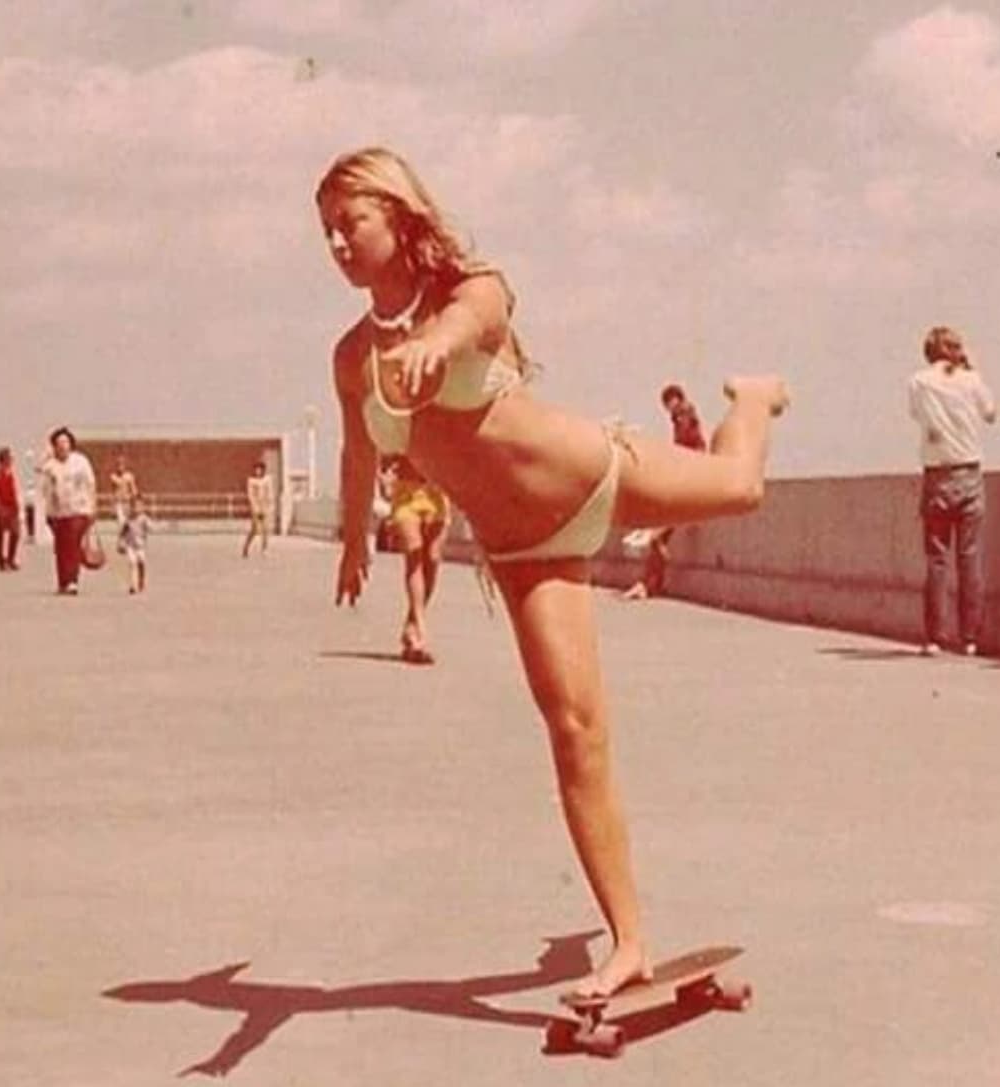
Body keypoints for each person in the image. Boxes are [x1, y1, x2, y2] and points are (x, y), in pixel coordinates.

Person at [316, 147, 789, 999]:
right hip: (523, 549)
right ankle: (629, 939)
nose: (338, 244)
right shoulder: (352, 357)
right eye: (327, 232)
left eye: (351, 222)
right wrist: (355, 540)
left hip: (590, 473)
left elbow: (478, 321)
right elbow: (357, 455)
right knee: (576, 731)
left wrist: (437, 341)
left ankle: (752, 399)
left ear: (397, 215)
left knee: (741, 487)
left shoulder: (468, 287)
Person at [908, 325, 996, 657]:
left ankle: (935, 638)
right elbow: (991, 413)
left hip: (937, 475)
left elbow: (917, 415)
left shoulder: (918, 382)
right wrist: (970, 368)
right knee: (969, 556)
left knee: (937, 558)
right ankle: (970, 638)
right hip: (970, 472)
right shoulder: (971, 381)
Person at [620, 383, 708, 600]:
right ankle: (651, 583)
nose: (668, 408)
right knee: (659, 538)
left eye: (669, 402)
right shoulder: (681, 416)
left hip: (690, 472)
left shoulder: (685, 413)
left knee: (658, 532)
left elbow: (688, 442)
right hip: (687, 470)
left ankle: (648, 583)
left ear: (676, 399)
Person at [378, 454, 450, 663]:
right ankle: (419, 627)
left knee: (433, 558)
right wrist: (383, 482)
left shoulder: (444, 424)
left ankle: (411, 626)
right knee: (414, 553)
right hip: (406, 493)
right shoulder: (402, 422)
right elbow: (380, 455)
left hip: (437, 494)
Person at [40, 426, 97, 595]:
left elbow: (91, 484)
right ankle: (63, 580)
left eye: (65, 442)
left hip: (79, 510)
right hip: (57, 513)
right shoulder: (50, 466)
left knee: (72, 544)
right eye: (59, 443)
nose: (63, 446)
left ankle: (72, 580)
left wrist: (93, 507)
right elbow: (45, 491)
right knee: (61, 547)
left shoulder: (81, 462)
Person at [0, 446, 22, 571]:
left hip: (12, 507)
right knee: (0, 534)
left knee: (15, 533)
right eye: (9, 458)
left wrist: (17, 506)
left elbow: (13, 491)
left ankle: (10, 558)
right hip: (1, 508)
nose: (11, 460)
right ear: (3, 459)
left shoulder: (10, 473)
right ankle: (1, 560)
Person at [242, 461, 275, 558]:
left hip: (265, 506)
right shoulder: (251, 480)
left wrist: (270, 506)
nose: (258, 471)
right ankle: (246, 547)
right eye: (256, 469)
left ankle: (264, 549)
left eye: (260, 469)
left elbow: (270, 493)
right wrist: (255, 508)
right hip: (256, 507)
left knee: (265, 529)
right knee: (255, 529)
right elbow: (251, 495)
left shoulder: (268, 479)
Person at [121, 493, 152, 594]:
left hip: (140, 545)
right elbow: (123, 531)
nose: (136, 509)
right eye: (134, 506)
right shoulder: (128, 519)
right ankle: (133, 585)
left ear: (142, 507)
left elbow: (150, 527)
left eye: (139, 506)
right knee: (132, 563)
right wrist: (121, 542)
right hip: (130, 545)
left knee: (141, 561)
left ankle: (141, 580)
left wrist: (148, 528)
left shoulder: (144, 518)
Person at [110, 453, 139, 533]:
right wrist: (112, 506)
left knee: (128, 522)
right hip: (118, 502)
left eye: (122, 465)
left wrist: (134, 500)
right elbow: (113, 492)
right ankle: (122, 539)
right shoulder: (113, 477)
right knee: (121, 522)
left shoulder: (129, 476)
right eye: (118, 465)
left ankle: (127, 539)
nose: (120, 467)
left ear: (125, 465)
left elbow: (134, 490)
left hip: (127, 502)